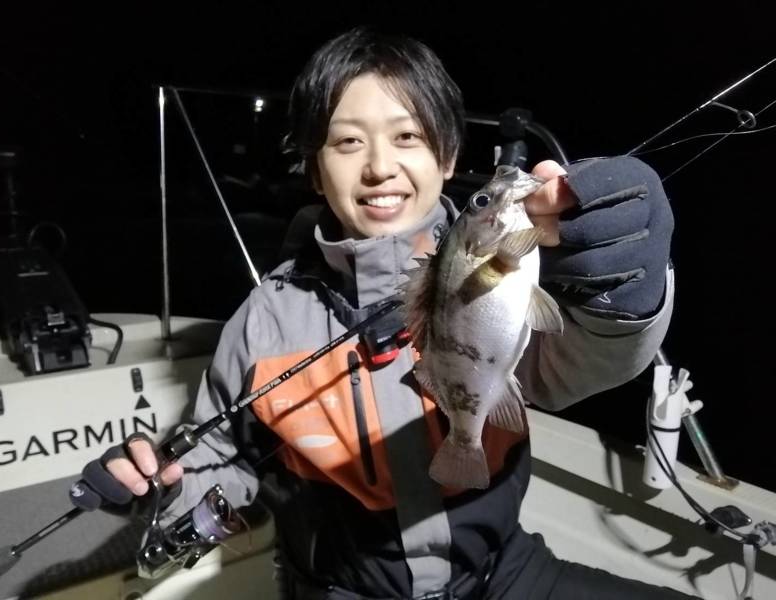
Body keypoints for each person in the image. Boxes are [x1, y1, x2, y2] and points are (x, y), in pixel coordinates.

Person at [73, 27, 695, 599]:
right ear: (315, 170)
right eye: (347, 141)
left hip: (500, 573)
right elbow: (221, 456)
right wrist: (161, 486)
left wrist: (623, 286)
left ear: (447, 157)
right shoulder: (265, 322)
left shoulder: (505, 259)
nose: (378, 167)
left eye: (407, 136)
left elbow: (587, 358)